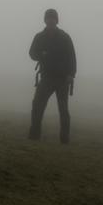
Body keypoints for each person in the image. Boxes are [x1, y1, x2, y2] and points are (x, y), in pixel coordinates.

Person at [28, 8, 77, 143]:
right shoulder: (39, 37)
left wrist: (71, 74)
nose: (50, 20)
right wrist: (41, 55)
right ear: (45, 20)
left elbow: (72, 57)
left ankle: (64, 139)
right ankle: (34, 135)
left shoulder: (65, 37)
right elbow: (32, 53)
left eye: (53, 18)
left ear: (56, 20)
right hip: (46, 78)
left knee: (63, 110)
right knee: (37, 105)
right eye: (48, 18)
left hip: (62, 79)